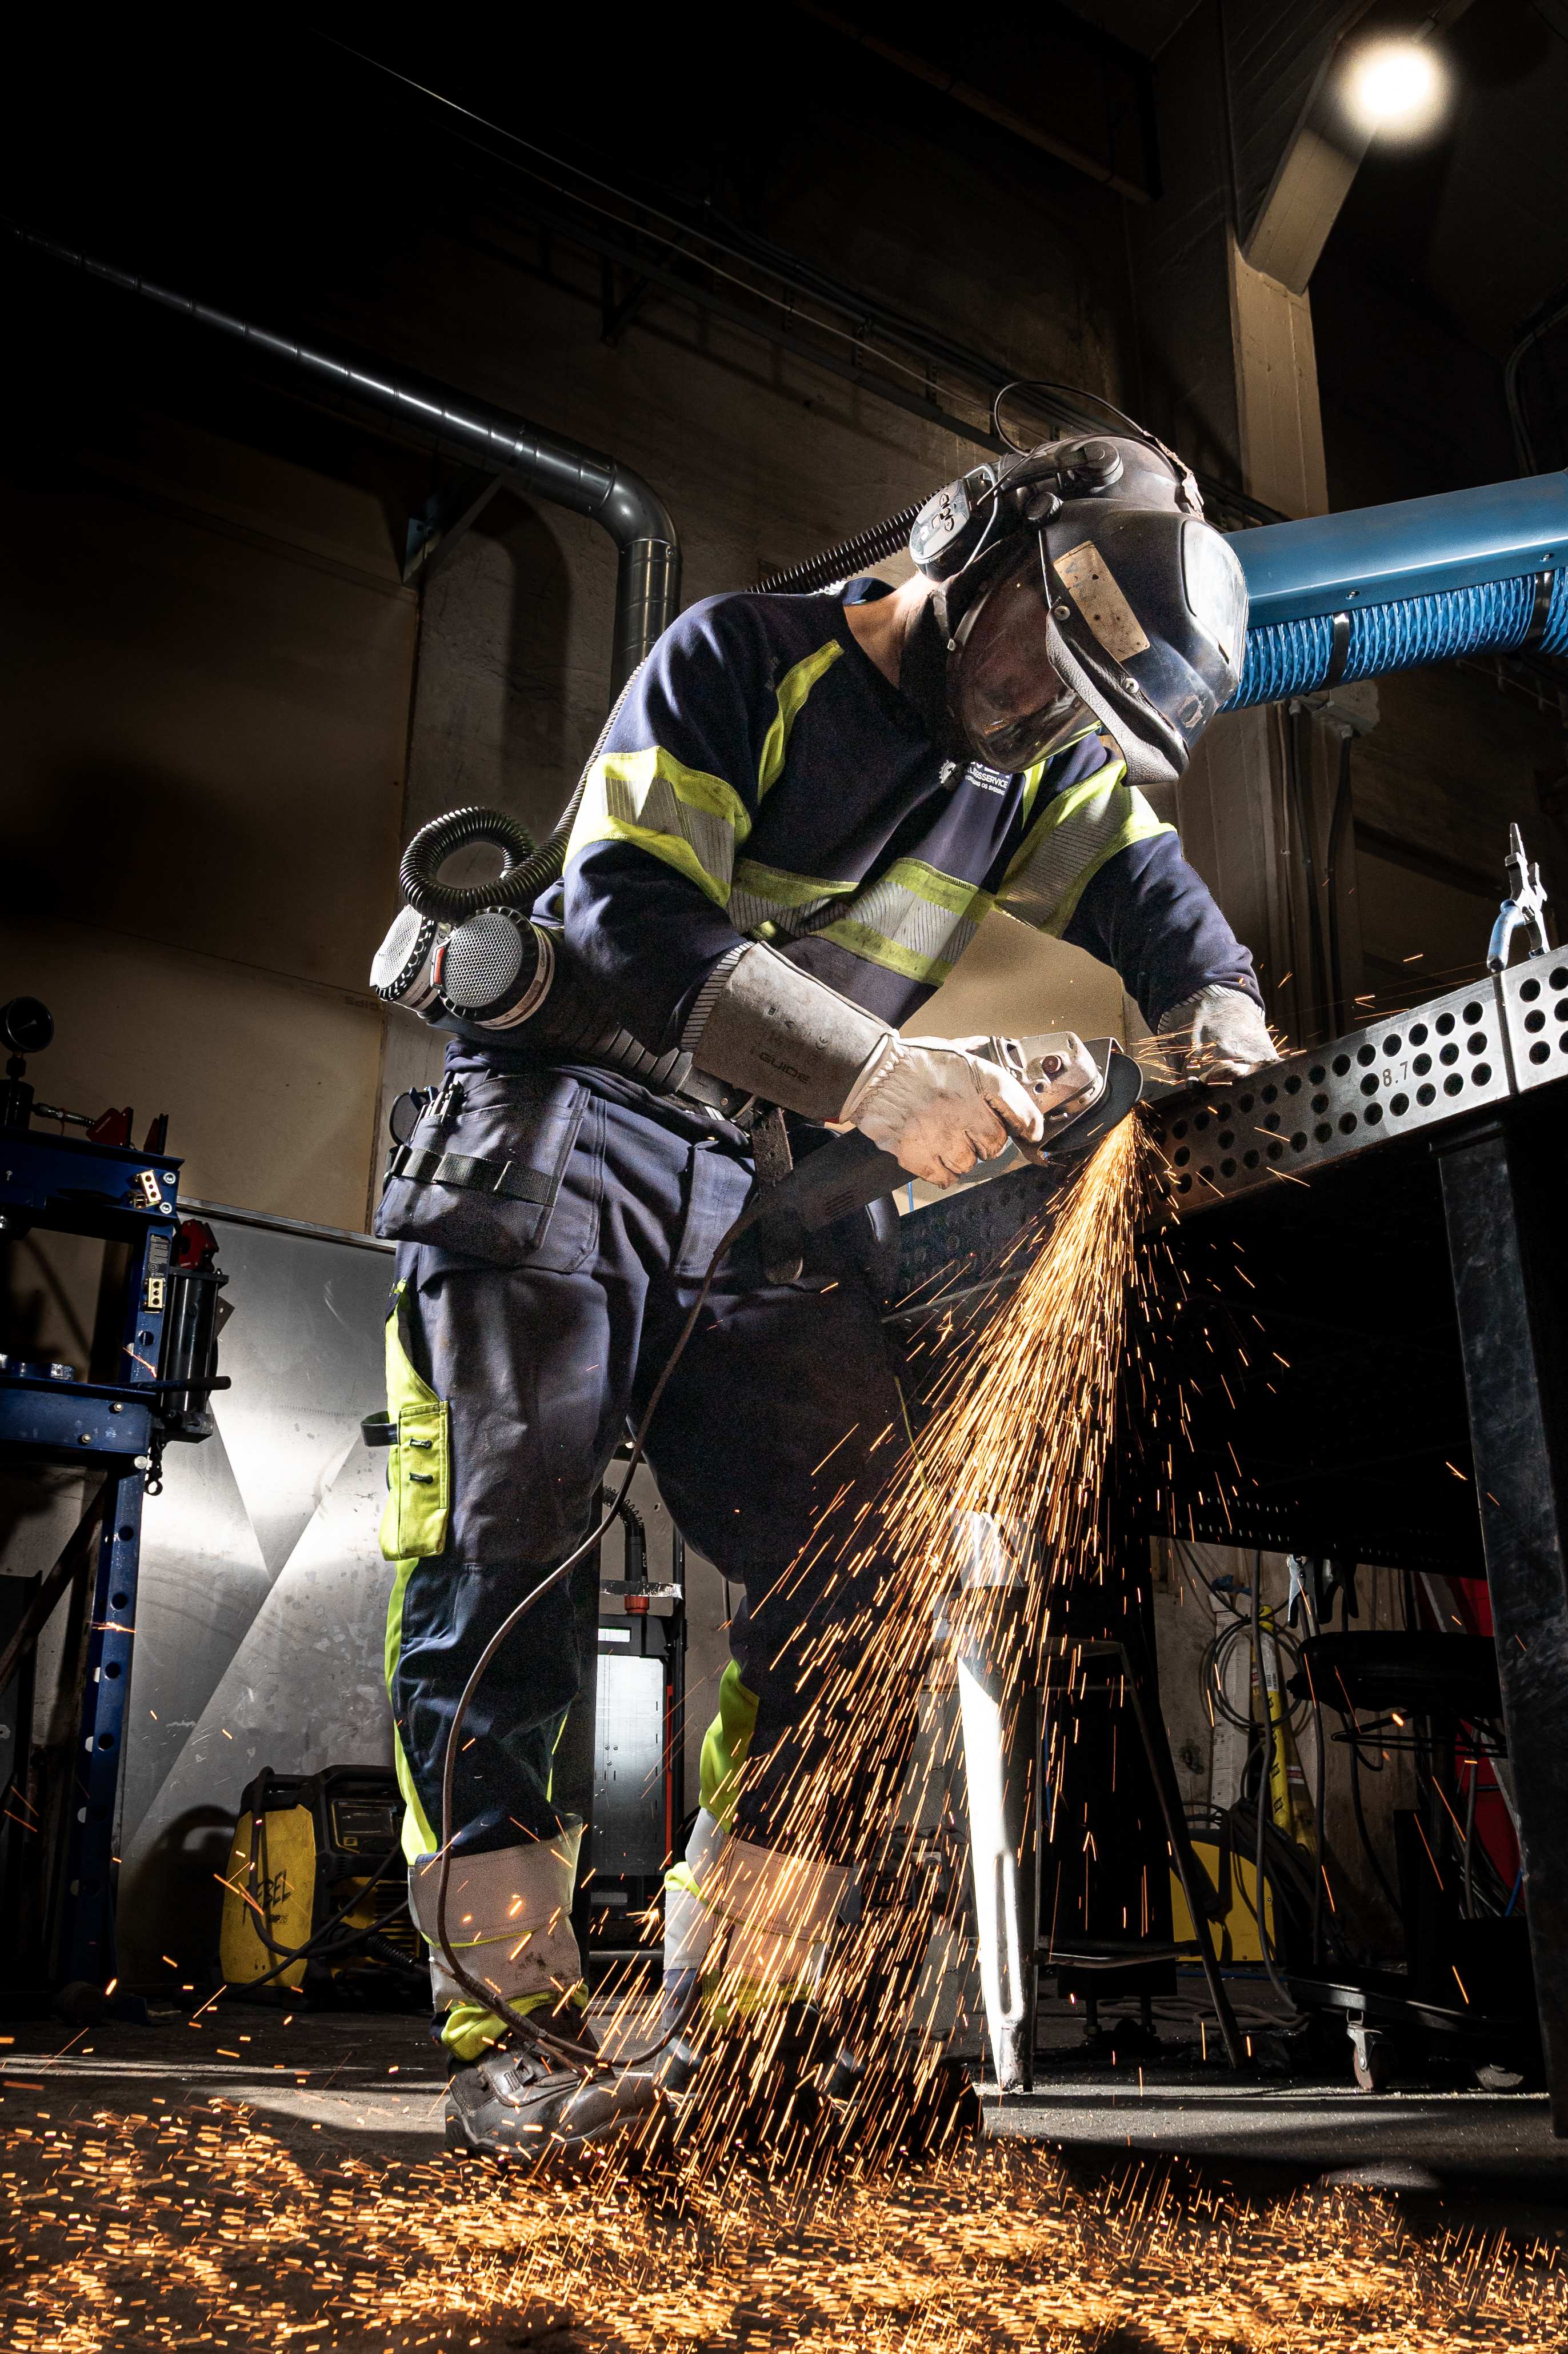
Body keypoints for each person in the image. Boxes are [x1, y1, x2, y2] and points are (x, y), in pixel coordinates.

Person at [371, 427, 1278, 2156]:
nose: (1044, 714)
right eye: (1044, 664)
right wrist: (877, 1077)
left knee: (860, 1552)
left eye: (1094, 708)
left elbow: (1183, 938)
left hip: (755, 1186)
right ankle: (518, 2032)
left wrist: (1224, 1036)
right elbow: (632, 920)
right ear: (973, 550)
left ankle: (752, 2024)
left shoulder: (1051, 762)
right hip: (566, 1116)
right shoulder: (740, 660)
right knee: (508, 1549)